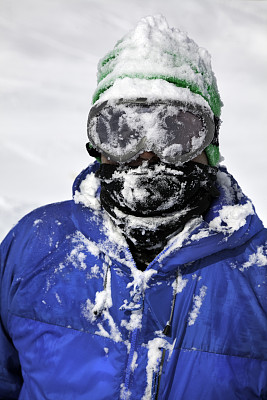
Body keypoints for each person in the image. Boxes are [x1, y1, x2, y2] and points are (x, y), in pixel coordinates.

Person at [0, 14, 266, 400]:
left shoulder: (257, 272)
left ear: (210, 144)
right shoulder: (34, 246)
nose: (146, 153)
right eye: (121, 130)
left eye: (176, 131)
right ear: (98, 143)